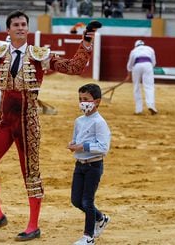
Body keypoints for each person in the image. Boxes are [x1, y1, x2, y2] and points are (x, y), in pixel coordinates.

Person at [0, 7, 97, 241]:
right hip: (4, 121)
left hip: (28, 122)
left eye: (24, 25)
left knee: (30, 174)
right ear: (8, 30)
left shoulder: (39, 54)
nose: (21, 28)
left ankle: (33, 225)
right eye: (16, 25)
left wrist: (86, 43)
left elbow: (74, 67)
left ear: (28, 28)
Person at [68, 83, 111, 245]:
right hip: (79, 165)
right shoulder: (79, 121)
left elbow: (103, 147)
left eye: (86, 99)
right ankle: (101, 218)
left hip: (94, 166)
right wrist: (73, 144)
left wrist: (82, 146)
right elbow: (76, 139)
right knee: (76, 201)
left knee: (87, 201)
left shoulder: (99, 123)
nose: (82, 102)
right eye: (80, 99)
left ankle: (88, 237)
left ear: (97, 101)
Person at [125, 39, 157, 115]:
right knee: (149, 86)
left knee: (136, 87)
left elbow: (129, 65)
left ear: (136, 45)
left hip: (137, 66)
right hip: (148, 65)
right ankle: (151, 105)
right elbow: (154, 62)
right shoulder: (150, 49)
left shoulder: (134, 51)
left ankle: (138, 110)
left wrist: (129, 75)